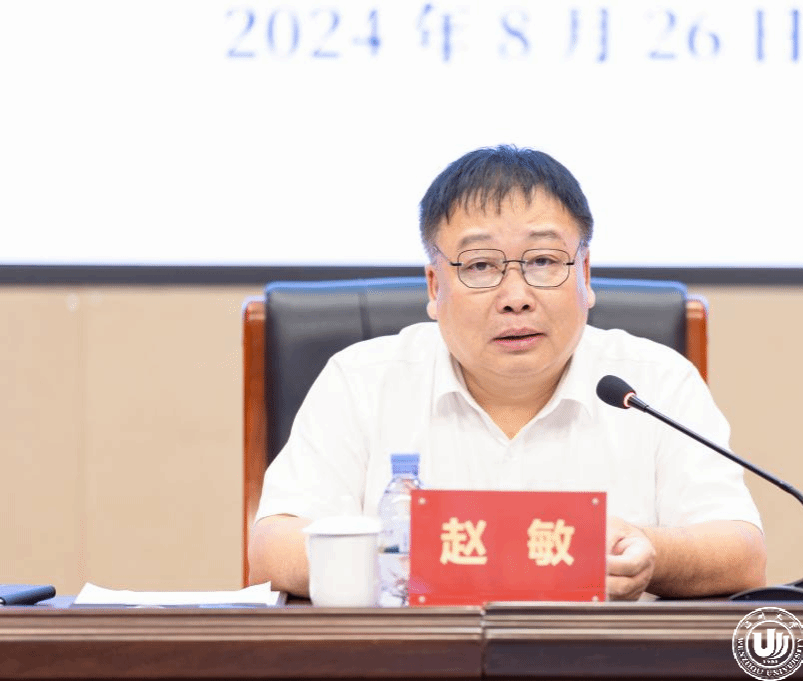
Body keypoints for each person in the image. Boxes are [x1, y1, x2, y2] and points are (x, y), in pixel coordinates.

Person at [249, 145, 766, 600]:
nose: (516, 297)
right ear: (434, 286)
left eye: (543, 261)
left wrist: (650, 551)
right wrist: (405, 553)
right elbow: (274, 548)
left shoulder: (654, 382)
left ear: (585, 275)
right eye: (480, 266)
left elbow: (741, 551)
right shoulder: (363, 381)